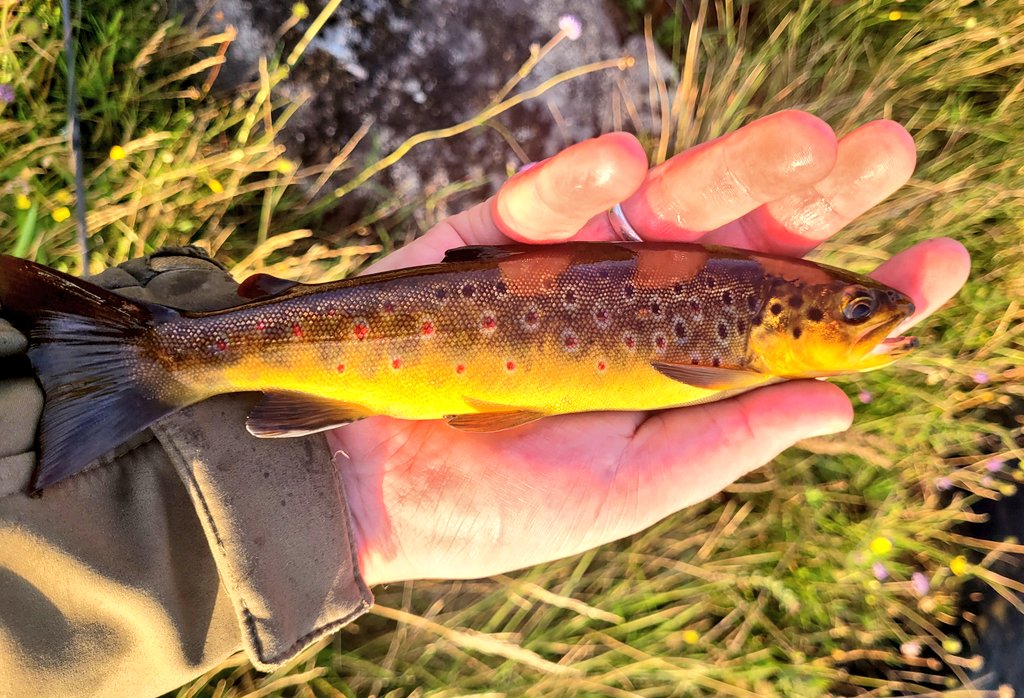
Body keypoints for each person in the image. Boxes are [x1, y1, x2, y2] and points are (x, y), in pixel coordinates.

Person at [0, 110, 970, 696]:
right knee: (180, 354)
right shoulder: (729, 336)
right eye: (853, 308)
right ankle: (154, 355)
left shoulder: (742, 335)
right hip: (297, 379)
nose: (878, 317)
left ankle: (153, 356)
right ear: (778, 313)